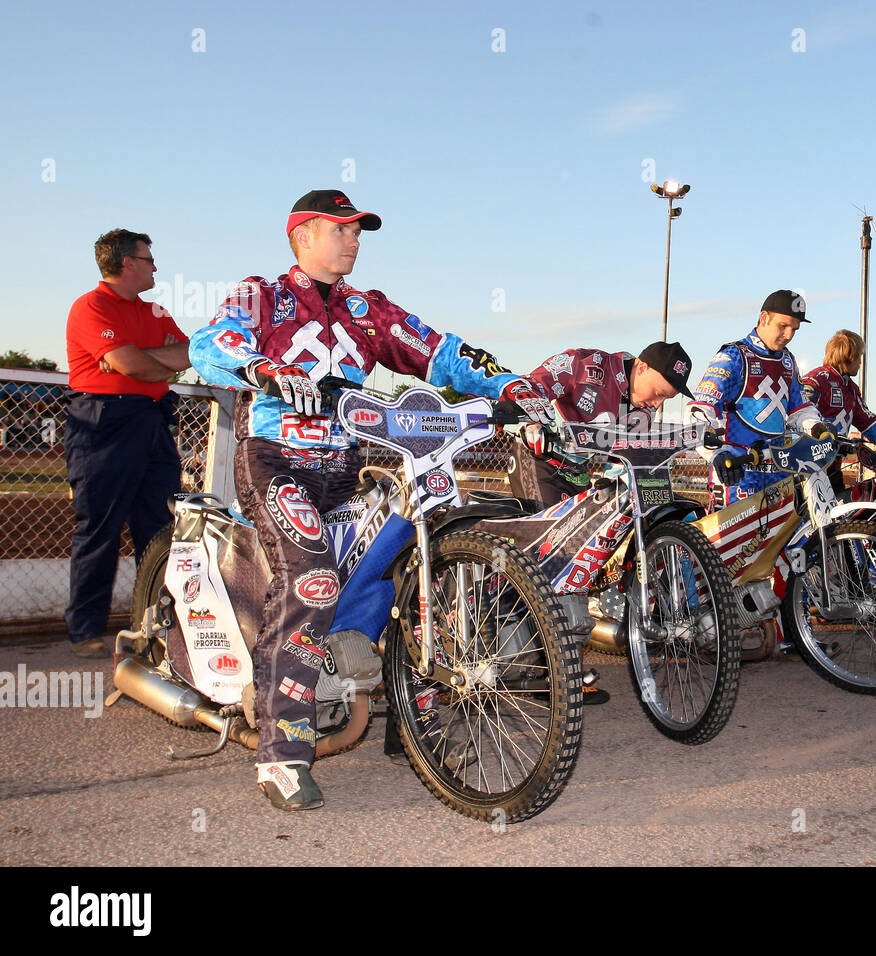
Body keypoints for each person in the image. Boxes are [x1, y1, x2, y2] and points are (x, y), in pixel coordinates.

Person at [188, 190, 550, 811]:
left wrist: (508, 383)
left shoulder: (368, 309)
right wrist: (266, 369)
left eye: (358, 231)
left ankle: (413, 726)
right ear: (303, 235)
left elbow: (441, 352)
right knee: (312, 581)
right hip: (276, 460)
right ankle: (281, 754)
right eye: (341, 229)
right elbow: (210, 342)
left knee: (401, 566)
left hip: (345, 466)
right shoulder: (261, 295)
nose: (354, 241)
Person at [64, 229, 191, 659]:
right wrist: (146, 361)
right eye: (149, 259)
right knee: (99, 529)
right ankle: (85, 630)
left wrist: (139, 359)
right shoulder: (91, 306)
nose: (155, 267)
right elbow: (132, 365)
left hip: (152, 421)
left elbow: (185, 354)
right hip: (103, 423)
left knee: (159, 529)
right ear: (127, 263)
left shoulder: (153, 309)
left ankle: (151, 628)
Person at [510, 342, 693, 508]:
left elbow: (622, 461)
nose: (658, 404)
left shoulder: (645, 410)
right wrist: (532, 422)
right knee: (549, 531)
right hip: (538, 458)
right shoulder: (586, 364)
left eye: (666, 399)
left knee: (592, 529)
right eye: (659, 393)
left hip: (579, 472)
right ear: (642, 368)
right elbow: (531, 385)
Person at [686, 290, 824, 505]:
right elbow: (700, 409)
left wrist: (817, 428)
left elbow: (801, 409)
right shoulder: (733, 356)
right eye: (783, 326)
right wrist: (715, 453)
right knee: (732, 529)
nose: (789, 335)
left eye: (794, 329)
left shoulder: (788, 361)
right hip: (736, 473)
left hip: (778, 473)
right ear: (764, 318)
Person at [799, 329, 876, 493]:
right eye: (859, 357)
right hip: (807, 468)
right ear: (849, 356)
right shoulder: (816, 380)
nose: (860, 362)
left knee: (842, 508)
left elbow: (870, 423)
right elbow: (799, 415)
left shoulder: (851, 388)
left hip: (834, 468)